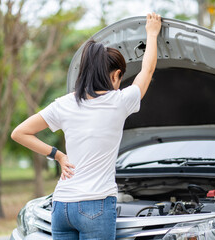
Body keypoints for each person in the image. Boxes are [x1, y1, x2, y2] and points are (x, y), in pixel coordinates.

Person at [11, 13, 162, 240]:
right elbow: (147, 71)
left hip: (61, 205)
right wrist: (152, 33)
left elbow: (19, 132)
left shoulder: (64, 104)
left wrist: (58, 156)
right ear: (116, 75)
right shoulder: (119, 101)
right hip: (96, 205)